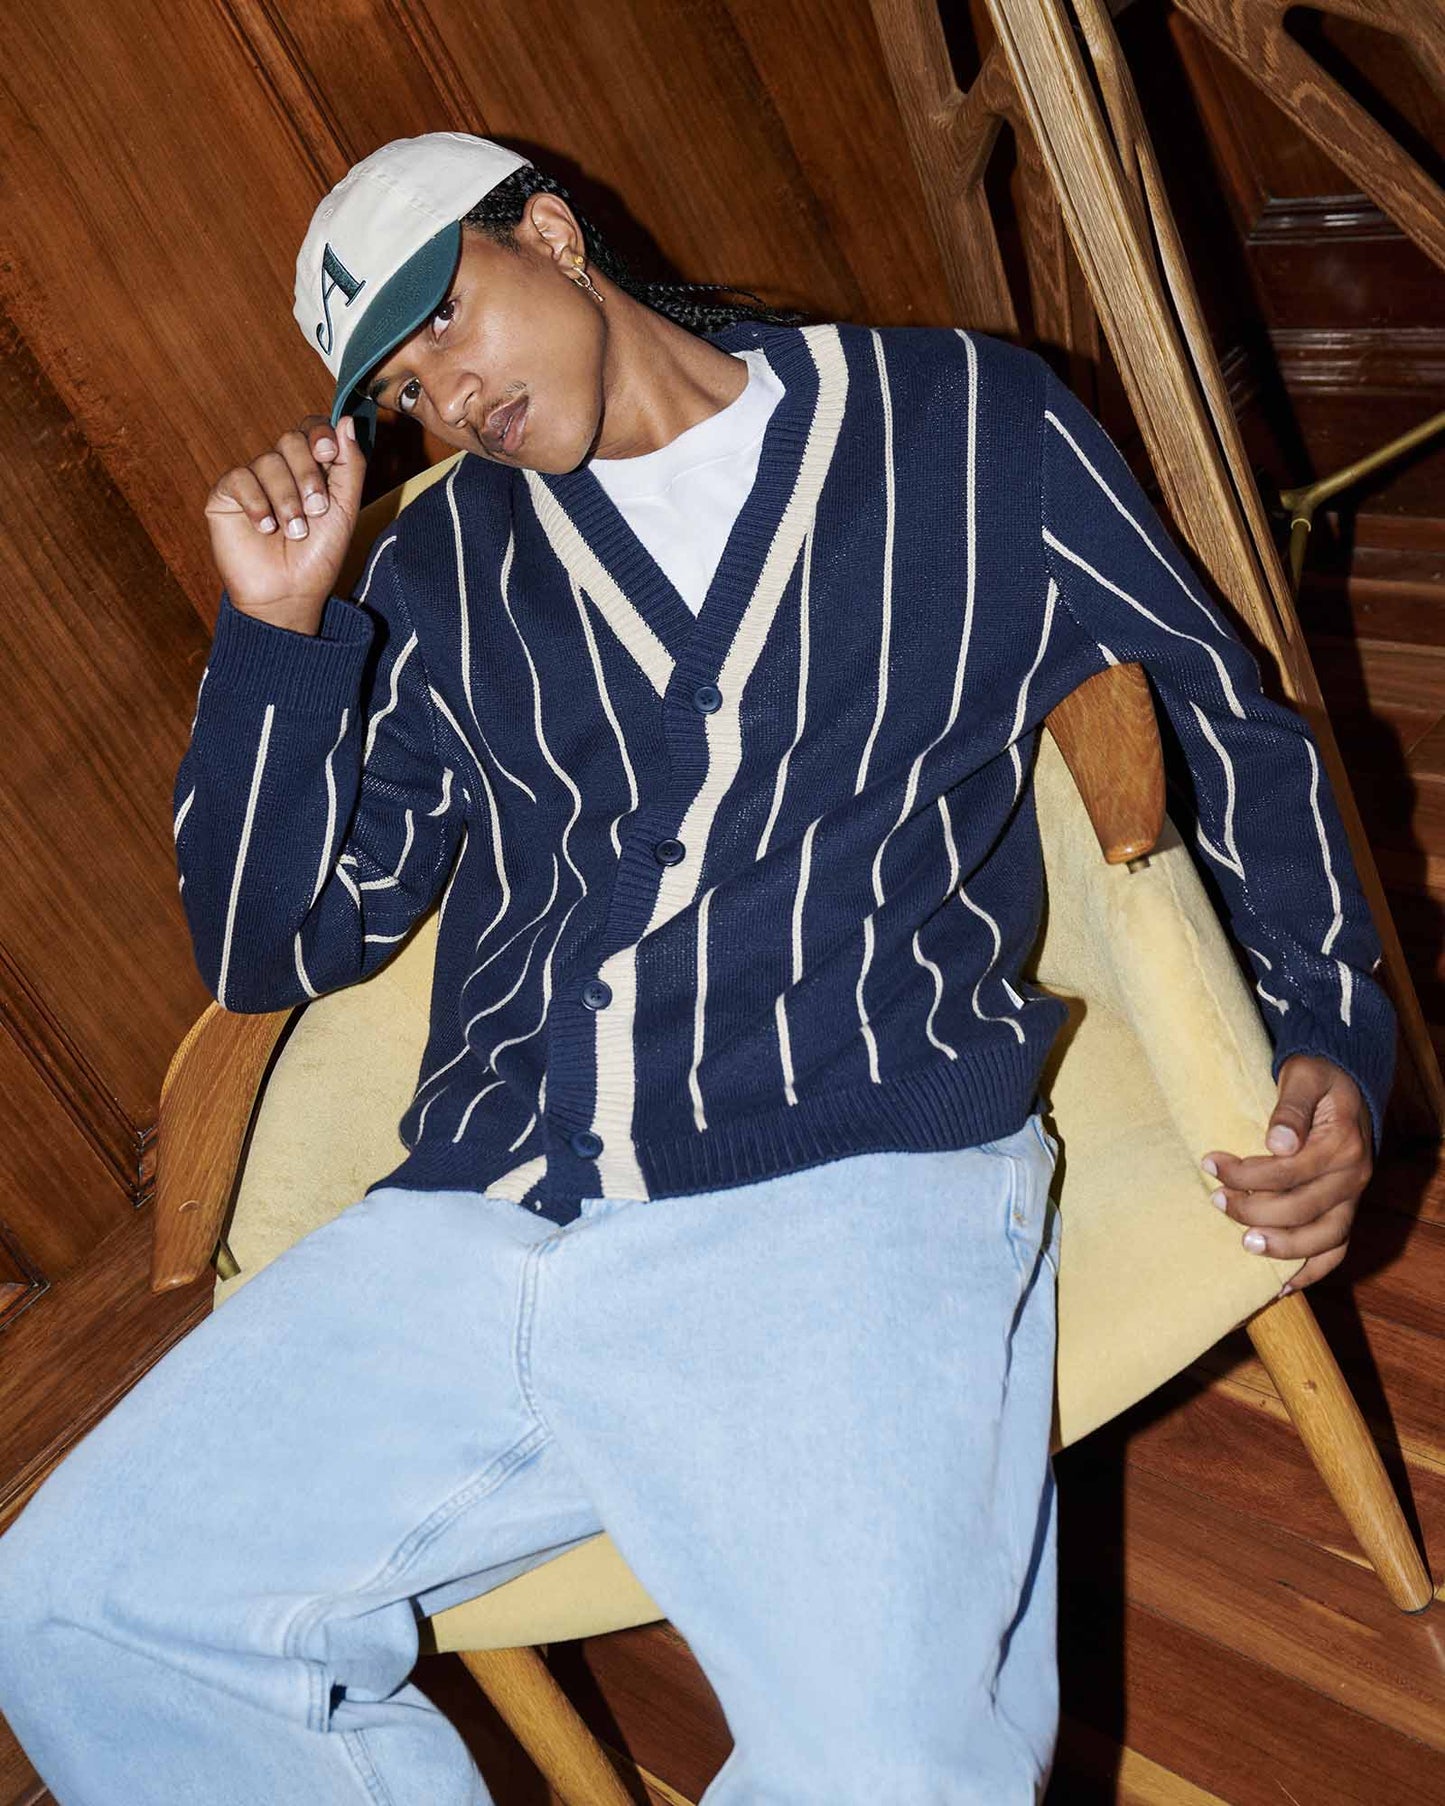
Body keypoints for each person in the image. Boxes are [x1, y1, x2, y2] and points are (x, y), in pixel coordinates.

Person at [0, 131, 1395, 1804]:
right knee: (73, 1607)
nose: (447, 398)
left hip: (833, 1181)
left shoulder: (960, 422)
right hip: (472, 1221)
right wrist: (273, 639)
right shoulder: (443, 570)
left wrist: (1329, 1025)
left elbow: (1224, 726)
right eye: (402, 391)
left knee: (883, 1768)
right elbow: (273, 943)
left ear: (548, 231)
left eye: (443, 320)